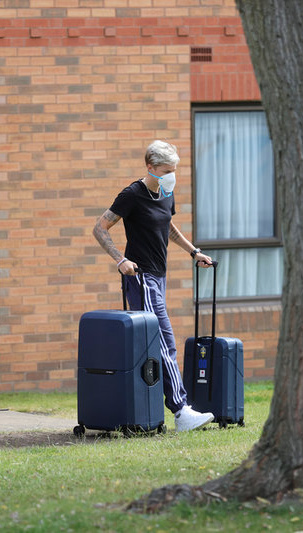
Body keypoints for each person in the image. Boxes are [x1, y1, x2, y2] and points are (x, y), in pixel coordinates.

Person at [93, 140, 215, 432]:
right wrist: (120, 259)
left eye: (174, 170)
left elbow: (168, 226)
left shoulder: (165, 192)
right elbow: (100, 227)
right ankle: (181, 410)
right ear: (150, 167)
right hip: (143, 277)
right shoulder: (132, 194)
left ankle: (150, 408)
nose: (171, 175)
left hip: (159, 277)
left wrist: (194, 252)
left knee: (153, 344)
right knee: (165, 341)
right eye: (166, 170)